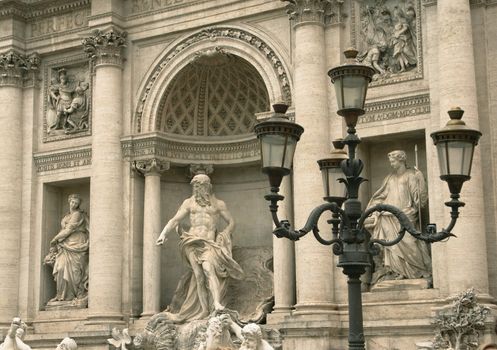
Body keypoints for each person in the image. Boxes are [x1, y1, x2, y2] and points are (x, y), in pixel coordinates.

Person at [156, 174, 244, 322]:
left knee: (208, 269)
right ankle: (203, 310)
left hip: (208, 243)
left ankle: (216, 303)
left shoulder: (218, 204)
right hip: (191, 241)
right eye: (195, 186)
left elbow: (232, 222)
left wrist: (225, 233)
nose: (196, 189)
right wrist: (163, 234)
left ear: (207, 186)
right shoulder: (189, 203)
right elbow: (175, 219)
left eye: (199, 186)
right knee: (198, 276)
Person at [365, 150, 431, 284]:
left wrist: (421, 181)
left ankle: (415, 270)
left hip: (405, 215)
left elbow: (418, 200)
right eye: (390, 161)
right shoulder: (389, 178)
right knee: (390, 244)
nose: (391, 163)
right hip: (389, 216)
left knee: (410, 243)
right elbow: (380, 196)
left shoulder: (411, 175)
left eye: (393, 161)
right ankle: (395, 271)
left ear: (401, 160)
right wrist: (374, 210)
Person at [47, 194, 89, 304]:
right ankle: (61, 295)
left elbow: (69, 230)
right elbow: (65, 230)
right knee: (60, 268)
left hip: (77, 242)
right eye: (72, 202)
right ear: (69, 202)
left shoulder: (77, 214)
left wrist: (55, 238)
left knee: (75, 272)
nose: (74, 204)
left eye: (76, 203)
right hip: (65, 244)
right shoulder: (66, 216)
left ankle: (75, 294)